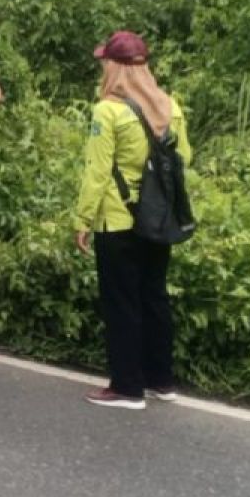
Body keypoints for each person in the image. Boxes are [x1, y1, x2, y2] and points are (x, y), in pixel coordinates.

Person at [74, 31, 191, 410]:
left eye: (105, 62)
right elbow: (182, 160)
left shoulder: (107, 111)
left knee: (122, 302)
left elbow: (97, 172)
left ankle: (126, 387)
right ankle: (161, 379)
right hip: (158, 220)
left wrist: (82, 220)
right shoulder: (169, 107)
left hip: (118, 220)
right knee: (154, 296)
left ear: (116, 67)